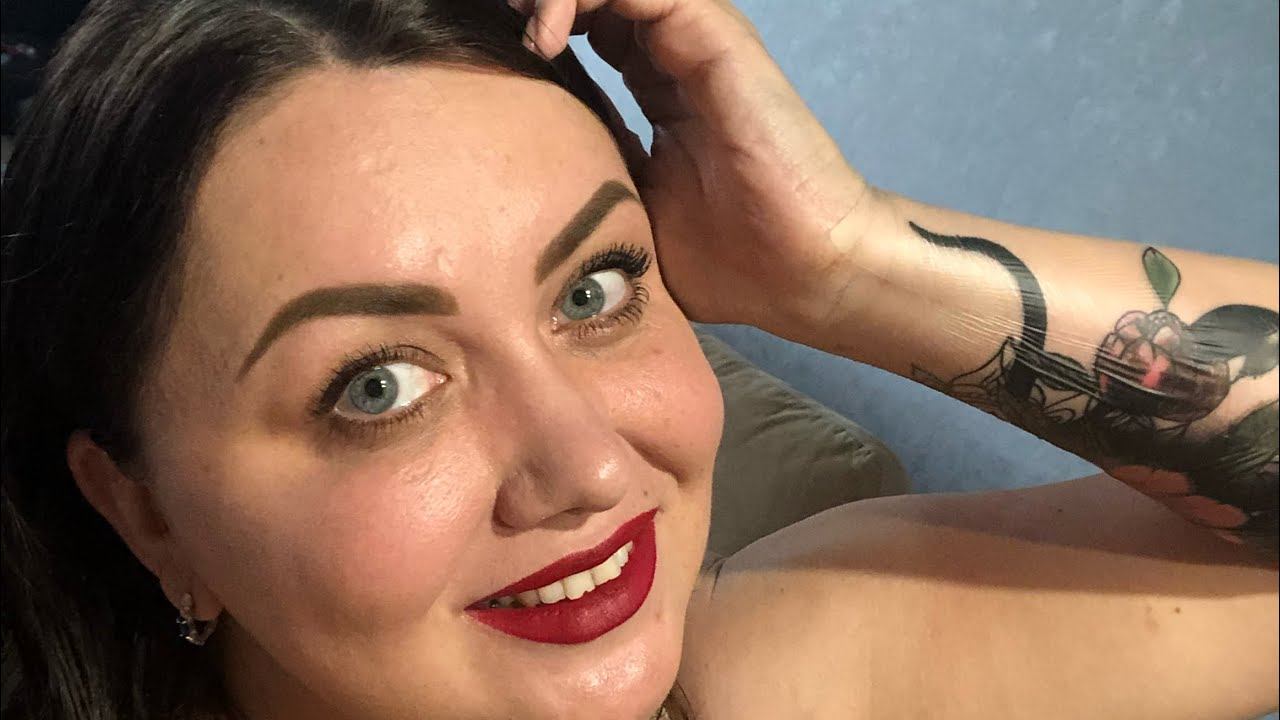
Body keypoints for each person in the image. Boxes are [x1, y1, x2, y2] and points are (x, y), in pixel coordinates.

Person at [1, 0, 1275, 718]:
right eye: (376, 385)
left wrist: (850, 265)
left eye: (593, 290)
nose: (593, 466)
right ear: (144, 511)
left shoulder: (782, 682)